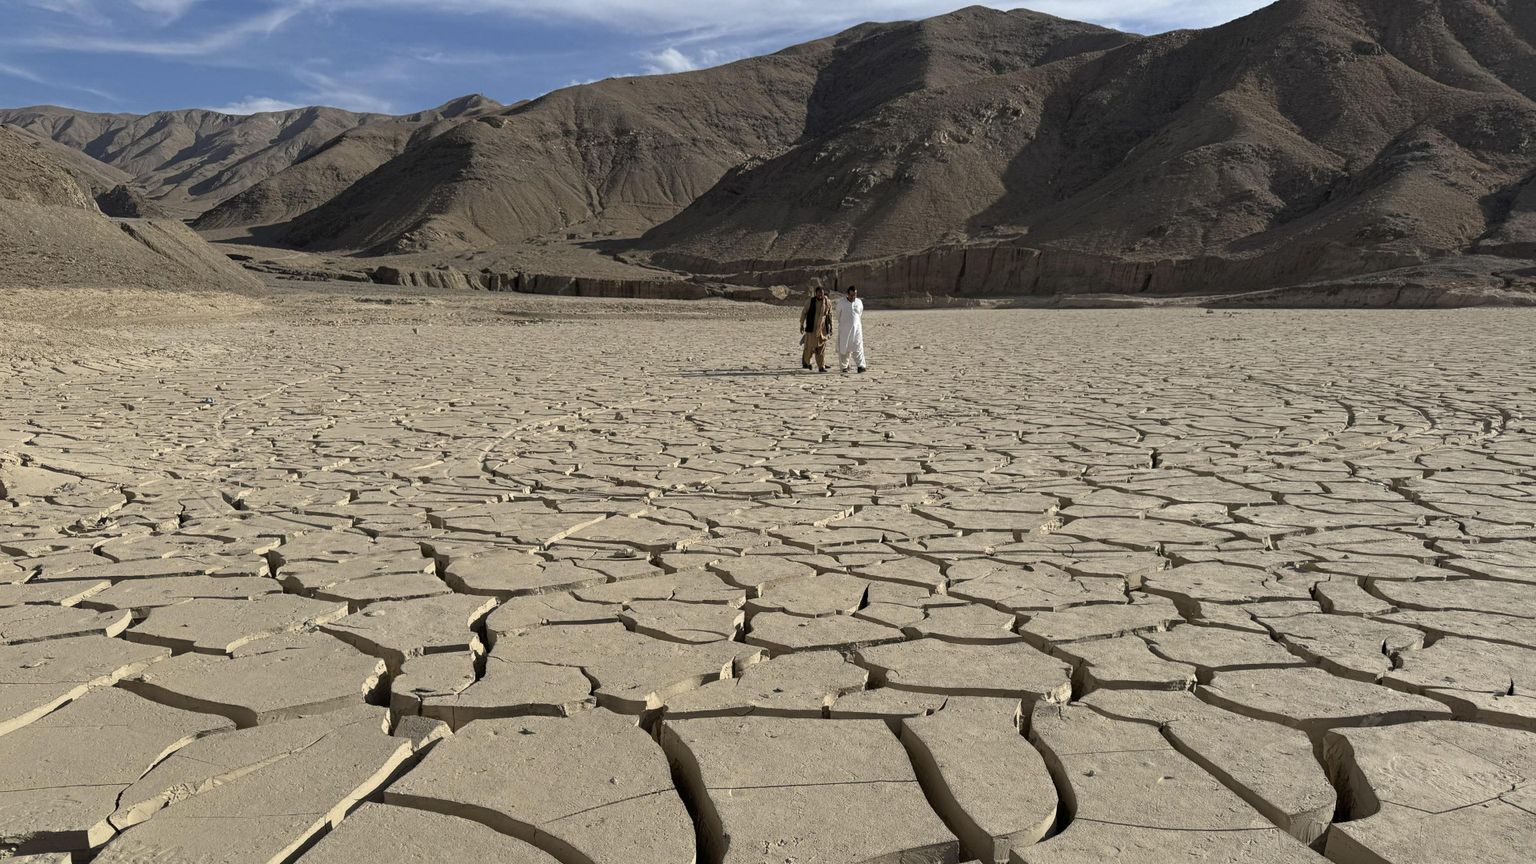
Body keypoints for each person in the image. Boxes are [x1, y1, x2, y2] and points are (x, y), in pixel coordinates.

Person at [799, 284, 833, 372]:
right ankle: (806, 362)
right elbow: (804, 313)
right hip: (812, 330)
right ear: (815, 294)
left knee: (821, 348)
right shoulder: (810, 302)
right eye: (818, 294)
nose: (820, 295)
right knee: (809, 348)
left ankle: (821, 367)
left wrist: (831, 327)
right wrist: (801, 324)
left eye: (821, 293)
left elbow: (830, 315)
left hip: (823, 329)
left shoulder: (827, 302)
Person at [835, 285, 866, 373]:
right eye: (852, 295)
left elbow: (860, 313)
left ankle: (861, 366)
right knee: (844, 348)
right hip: (844, 330)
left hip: (856, 330)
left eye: (855, 295)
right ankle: (844, 367)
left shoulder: (859, 302)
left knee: (858, 347)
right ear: (847, 294)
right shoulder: (841, 303)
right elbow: (838, 315)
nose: (853, 297)